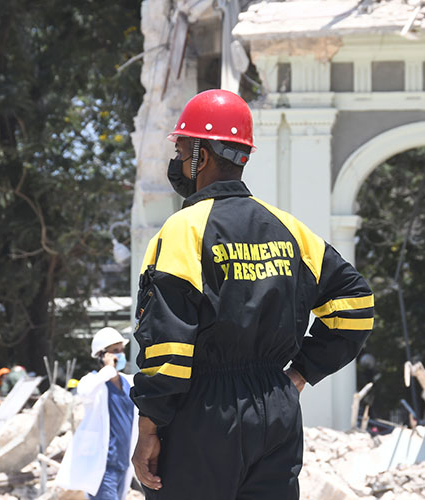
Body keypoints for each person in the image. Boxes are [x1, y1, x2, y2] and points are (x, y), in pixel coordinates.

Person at [129, 89, 374, 500]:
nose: (176, 157)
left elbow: (168, 348)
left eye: (181, 146)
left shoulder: (183, 230)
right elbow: (355, 305)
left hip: (203, 413)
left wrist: (150, 426)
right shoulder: (289, 230)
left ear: (201, 156)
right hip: (276, 408)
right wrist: (301, 373)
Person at [56, 327, 139, 500]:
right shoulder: (93, 381)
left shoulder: (128, 382)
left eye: (121, 350)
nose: (120, 355)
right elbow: (85, 392)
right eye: (115, 351)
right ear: (102, 355)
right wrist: (108, 369)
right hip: (103, 466)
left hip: (124, 464)